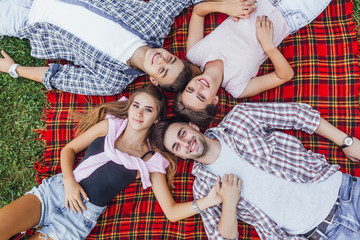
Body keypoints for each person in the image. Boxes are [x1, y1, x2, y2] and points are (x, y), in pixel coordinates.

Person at [0, 85, 222, 240]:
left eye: (148, 110)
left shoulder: (150, 160)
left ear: (157, 118)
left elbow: (171, 212)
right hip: (56, 192)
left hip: (77, 219)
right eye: (136, 105)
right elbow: (69, 149)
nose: (139, 113)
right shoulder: (110, 126)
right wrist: (68, 181)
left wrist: (208, 201)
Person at [150, 102, 360, 239]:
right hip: (318, 235)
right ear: (180, 156)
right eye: (177, 146)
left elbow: (296, 114)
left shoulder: (240, 118)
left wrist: (346, 141)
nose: (185, 143)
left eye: (182, 134)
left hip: (345, 193)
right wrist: (229, 203)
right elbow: (222, 238)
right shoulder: (204, 189)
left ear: (193, 126)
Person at [0, 0, 255, 95]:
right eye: (171, 60)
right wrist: (224, 5)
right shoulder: (153, 25)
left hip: (27, 22)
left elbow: (59, 77)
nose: (161, 61)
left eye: (163, 71)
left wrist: (14, 69)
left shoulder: (111, 81)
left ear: (154, 81)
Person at [173, 0, 331, 126]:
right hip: (291, 14)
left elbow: (198, 11)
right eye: (201, 96)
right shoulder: (238, 87)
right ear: (214, 101)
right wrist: (268, 46)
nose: (199, 86)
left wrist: (226, 7)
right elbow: (285, 75)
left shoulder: (195, 53)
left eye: (190, 89)